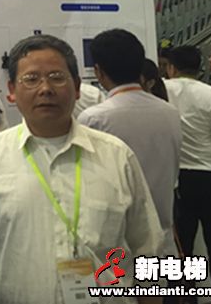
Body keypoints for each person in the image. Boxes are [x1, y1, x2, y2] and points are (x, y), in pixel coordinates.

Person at [0, 34, 164, 304]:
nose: (45, 88)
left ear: (77, 87)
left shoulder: (116, 155)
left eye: (56, 77)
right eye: (31, 79)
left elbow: (148, 254)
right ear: (12, 90)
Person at [77, 29, 181, 258]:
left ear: (98, 71)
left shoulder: (94, 118)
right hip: (163, 235)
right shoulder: (170, 112)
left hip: (116, 243)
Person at [165, 45, 211, 301]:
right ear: (198, 68)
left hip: (179, 178)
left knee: (182, 244)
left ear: (171, 67)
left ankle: (185, 294)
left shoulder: (162, 90)